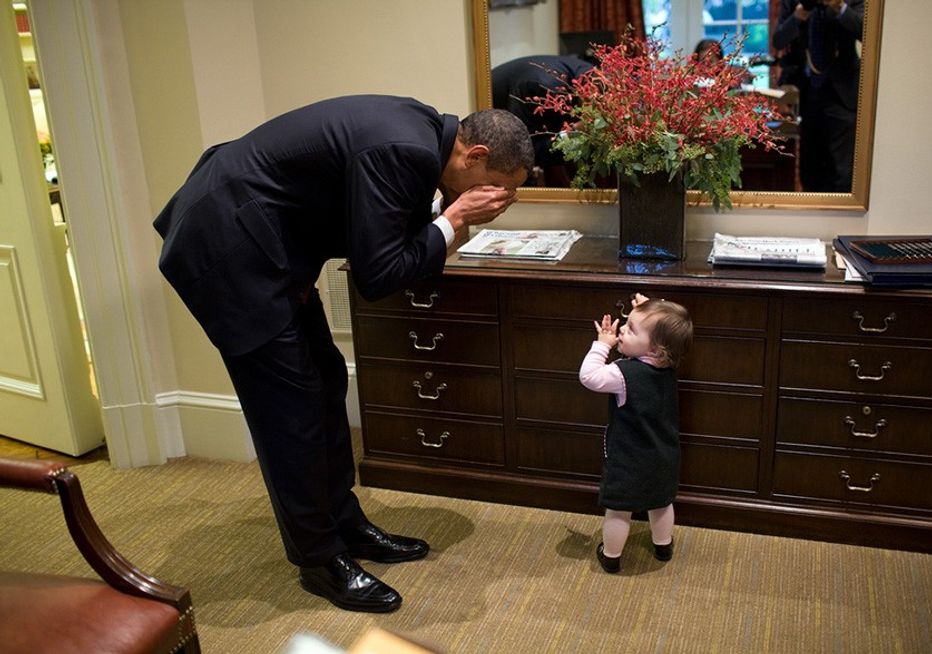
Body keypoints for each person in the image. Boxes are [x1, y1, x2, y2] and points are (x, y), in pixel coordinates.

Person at [153, 95, 533, 613]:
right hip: (229, 246)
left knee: (326, 381)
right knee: (290, 412)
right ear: (476, 155)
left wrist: (447, 213)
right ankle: (319, 560)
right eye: (500, 189)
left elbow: (365, 222)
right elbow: (377, 276)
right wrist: (455, 219)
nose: (499, 201)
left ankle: (346, 524)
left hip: (273, 241)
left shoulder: (424, 138)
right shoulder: (405, 148)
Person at [578, 293, 693, 574]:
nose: (621, 332)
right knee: (661, 503)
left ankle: (611, 556)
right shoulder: (668, 364)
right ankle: (663, 546)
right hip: (664, 455)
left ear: (654, 349)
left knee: (619, 510)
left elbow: (588, 377)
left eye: (630, 329)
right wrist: (646, 308)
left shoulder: (622, 374)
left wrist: (601, 346)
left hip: (628, 460)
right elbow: (667, 328)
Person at [773, 0, 864, 192]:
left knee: (842, 171)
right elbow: (779, 39)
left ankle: (842, 219)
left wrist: (839, 7)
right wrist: (798, 17)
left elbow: (867, 32)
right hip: (808, 93)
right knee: (810, 169)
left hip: (842, 93)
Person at [491, 54, 594, 186]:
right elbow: (524, 154)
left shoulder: (591, 73)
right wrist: (575, 133)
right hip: (492, 134)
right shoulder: (542, 88)